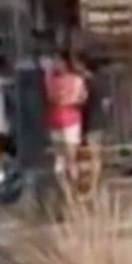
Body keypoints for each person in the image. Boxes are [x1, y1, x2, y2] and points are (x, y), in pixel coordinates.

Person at [45, 55, 88, 185]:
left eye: (59, 62)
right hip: (56, 120)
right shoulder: (52, 81)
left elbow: (81, 98)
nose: (57, 65)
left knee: (70, 156)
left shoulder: (77, 80)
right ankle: (62, 186)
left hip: (71, 120)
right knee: (59, 156)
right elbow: (50, 97)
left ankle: (73, 185)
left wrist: (67, 101)